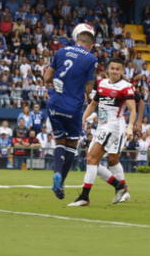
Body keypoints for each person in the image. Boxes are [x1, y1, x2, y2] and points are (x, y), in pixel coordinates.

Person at [68, 58, 136, 206]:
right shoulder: (102, 84)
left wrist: (130, 126)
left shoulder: (126, 87)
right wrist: (83, 119)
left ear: (122, 71)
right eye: (112, 68)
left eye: (118, 69)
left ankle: (84, 197)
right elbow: (93, 104)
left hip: (113, 127)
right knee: (92, 161)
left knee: (95, 159)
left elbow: (132, 109)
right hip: (101, 127)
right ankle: (119, 187)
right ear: (107, 70)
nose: (115, 72)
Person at [44, 23, 98, 199]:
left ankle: (57, 174)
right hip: (73, 106)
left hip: (54, 103)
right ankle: (61, 180)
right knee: (72, 144)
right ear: (90, 45)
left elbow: (47, 77)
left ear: (77, 40)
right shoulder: (91, 59)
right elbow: (89, 89)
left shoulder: (60, 52)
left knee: (60, 140)